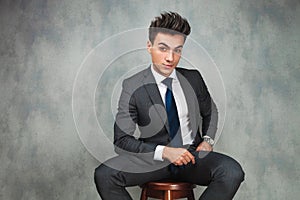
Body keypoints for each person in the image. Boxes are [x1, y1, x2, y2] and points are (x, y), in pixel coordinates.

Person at [94, 11, 244, 200]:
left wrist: (208, 140)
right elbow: (121, 140)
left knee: (231, 172)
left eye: (177, 50)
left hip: (192, 158)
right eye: (163, 48)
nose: (170, 57)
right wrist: (164, 152)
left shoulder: (193, 78)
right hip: (153, 160)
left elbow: (210, 111)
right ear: (149, 46)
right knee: (105, 175)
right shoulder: (132, 85)